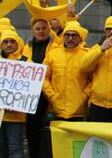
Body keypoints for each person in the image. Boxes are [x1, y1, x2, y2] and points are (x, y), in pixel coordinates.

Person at [22, 16, 58, 158]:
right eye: (38, 28)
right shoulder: (26, 47)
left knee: (48, 131)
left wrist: (70, 15)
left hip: (49, 94)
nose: (41, 31)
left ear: (49, 30)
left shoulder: (57, 45)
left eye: (44, 28)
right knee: (31, 130)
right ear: (32, 31)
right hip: (31, 96)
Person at [43, 21, 90, 121]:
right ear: (63, 36)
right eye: (67, 35)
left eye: (74, 35)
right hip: (55, 108)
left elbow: (94, 79)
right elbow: (44, 78)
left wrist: (84, 96)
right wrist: (51, 96)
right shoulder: (53, 54)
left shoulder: (87, 55)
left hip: (78, 110)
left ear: (80, 38)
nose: (70, 38)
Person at [0, 30, 29, 158]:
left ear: (18, 44)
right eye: (5, 42)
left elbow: (32, 88)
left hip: (16, 116)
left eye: (12, 42)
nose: (9, 45)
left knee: (15, 147)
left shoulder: (27, 63)